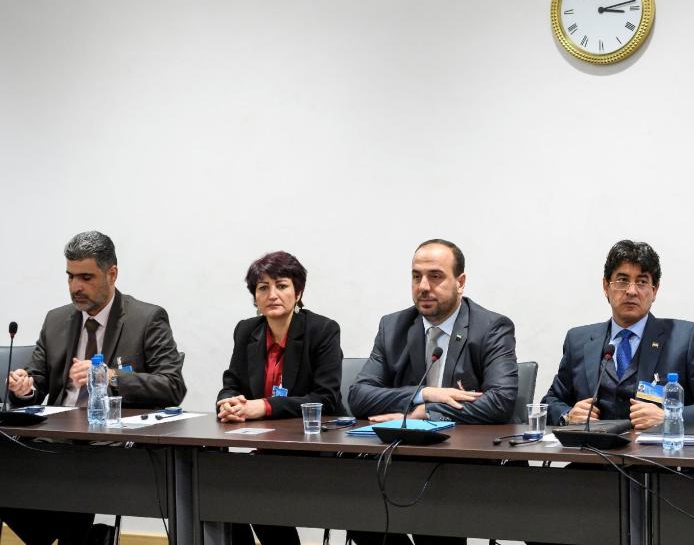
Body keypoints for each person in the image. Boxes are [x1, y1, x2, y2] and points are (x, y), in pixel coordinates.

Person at [3, 230, 186, 545]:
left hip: (108, 444)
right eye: (70, 277)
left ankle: (75, 533)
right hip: (52, 439)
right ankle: (73, 534)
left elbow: (171, 386)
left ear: (112, 273)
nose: (76, 287)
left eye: (86, 277)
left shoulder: (146, 319)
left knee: (68, 486)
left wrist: (108, 376)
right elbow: (38, 381)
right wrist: (24, 387)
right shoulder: (56, 320)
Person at [348, 239, 518, 545]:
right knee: (357, 506)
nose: (423, 286)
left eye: (435, 276)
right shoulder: (394, 326)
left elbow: (501, 401)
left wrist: (426, 414)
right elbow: (359, 395)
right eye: (416, 276)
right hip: (402, 456)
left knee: (436, 522)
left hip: (462, 460)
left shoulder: (491, 327)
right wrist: (424, 394)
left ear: (460, 282)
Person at [542, 240, 694, 429]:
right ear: (606, 287)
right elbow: (549, 402)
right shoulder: (579, 341)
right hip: (591, 461)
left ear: (654, 291)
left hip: (659, 462)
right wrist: (567, 415)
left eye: (642, 282)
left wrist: (669, 415)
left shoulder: (684, 339)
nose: (631, 291)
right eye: (622, 280)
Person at [217, 250, 344, 545]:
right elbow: (231, 383)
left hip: (311, 453)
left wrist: (263, 406)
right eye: (263, 287)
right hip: (264, 451)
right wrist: (229, 403)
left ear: (298, 292)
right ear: (255, 297)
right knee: (216, 485)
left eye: (282, 285)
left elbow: (327, 399)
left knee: (253, 488)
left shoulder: (322, 330)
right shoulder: (247, 330)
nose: (272, 294)